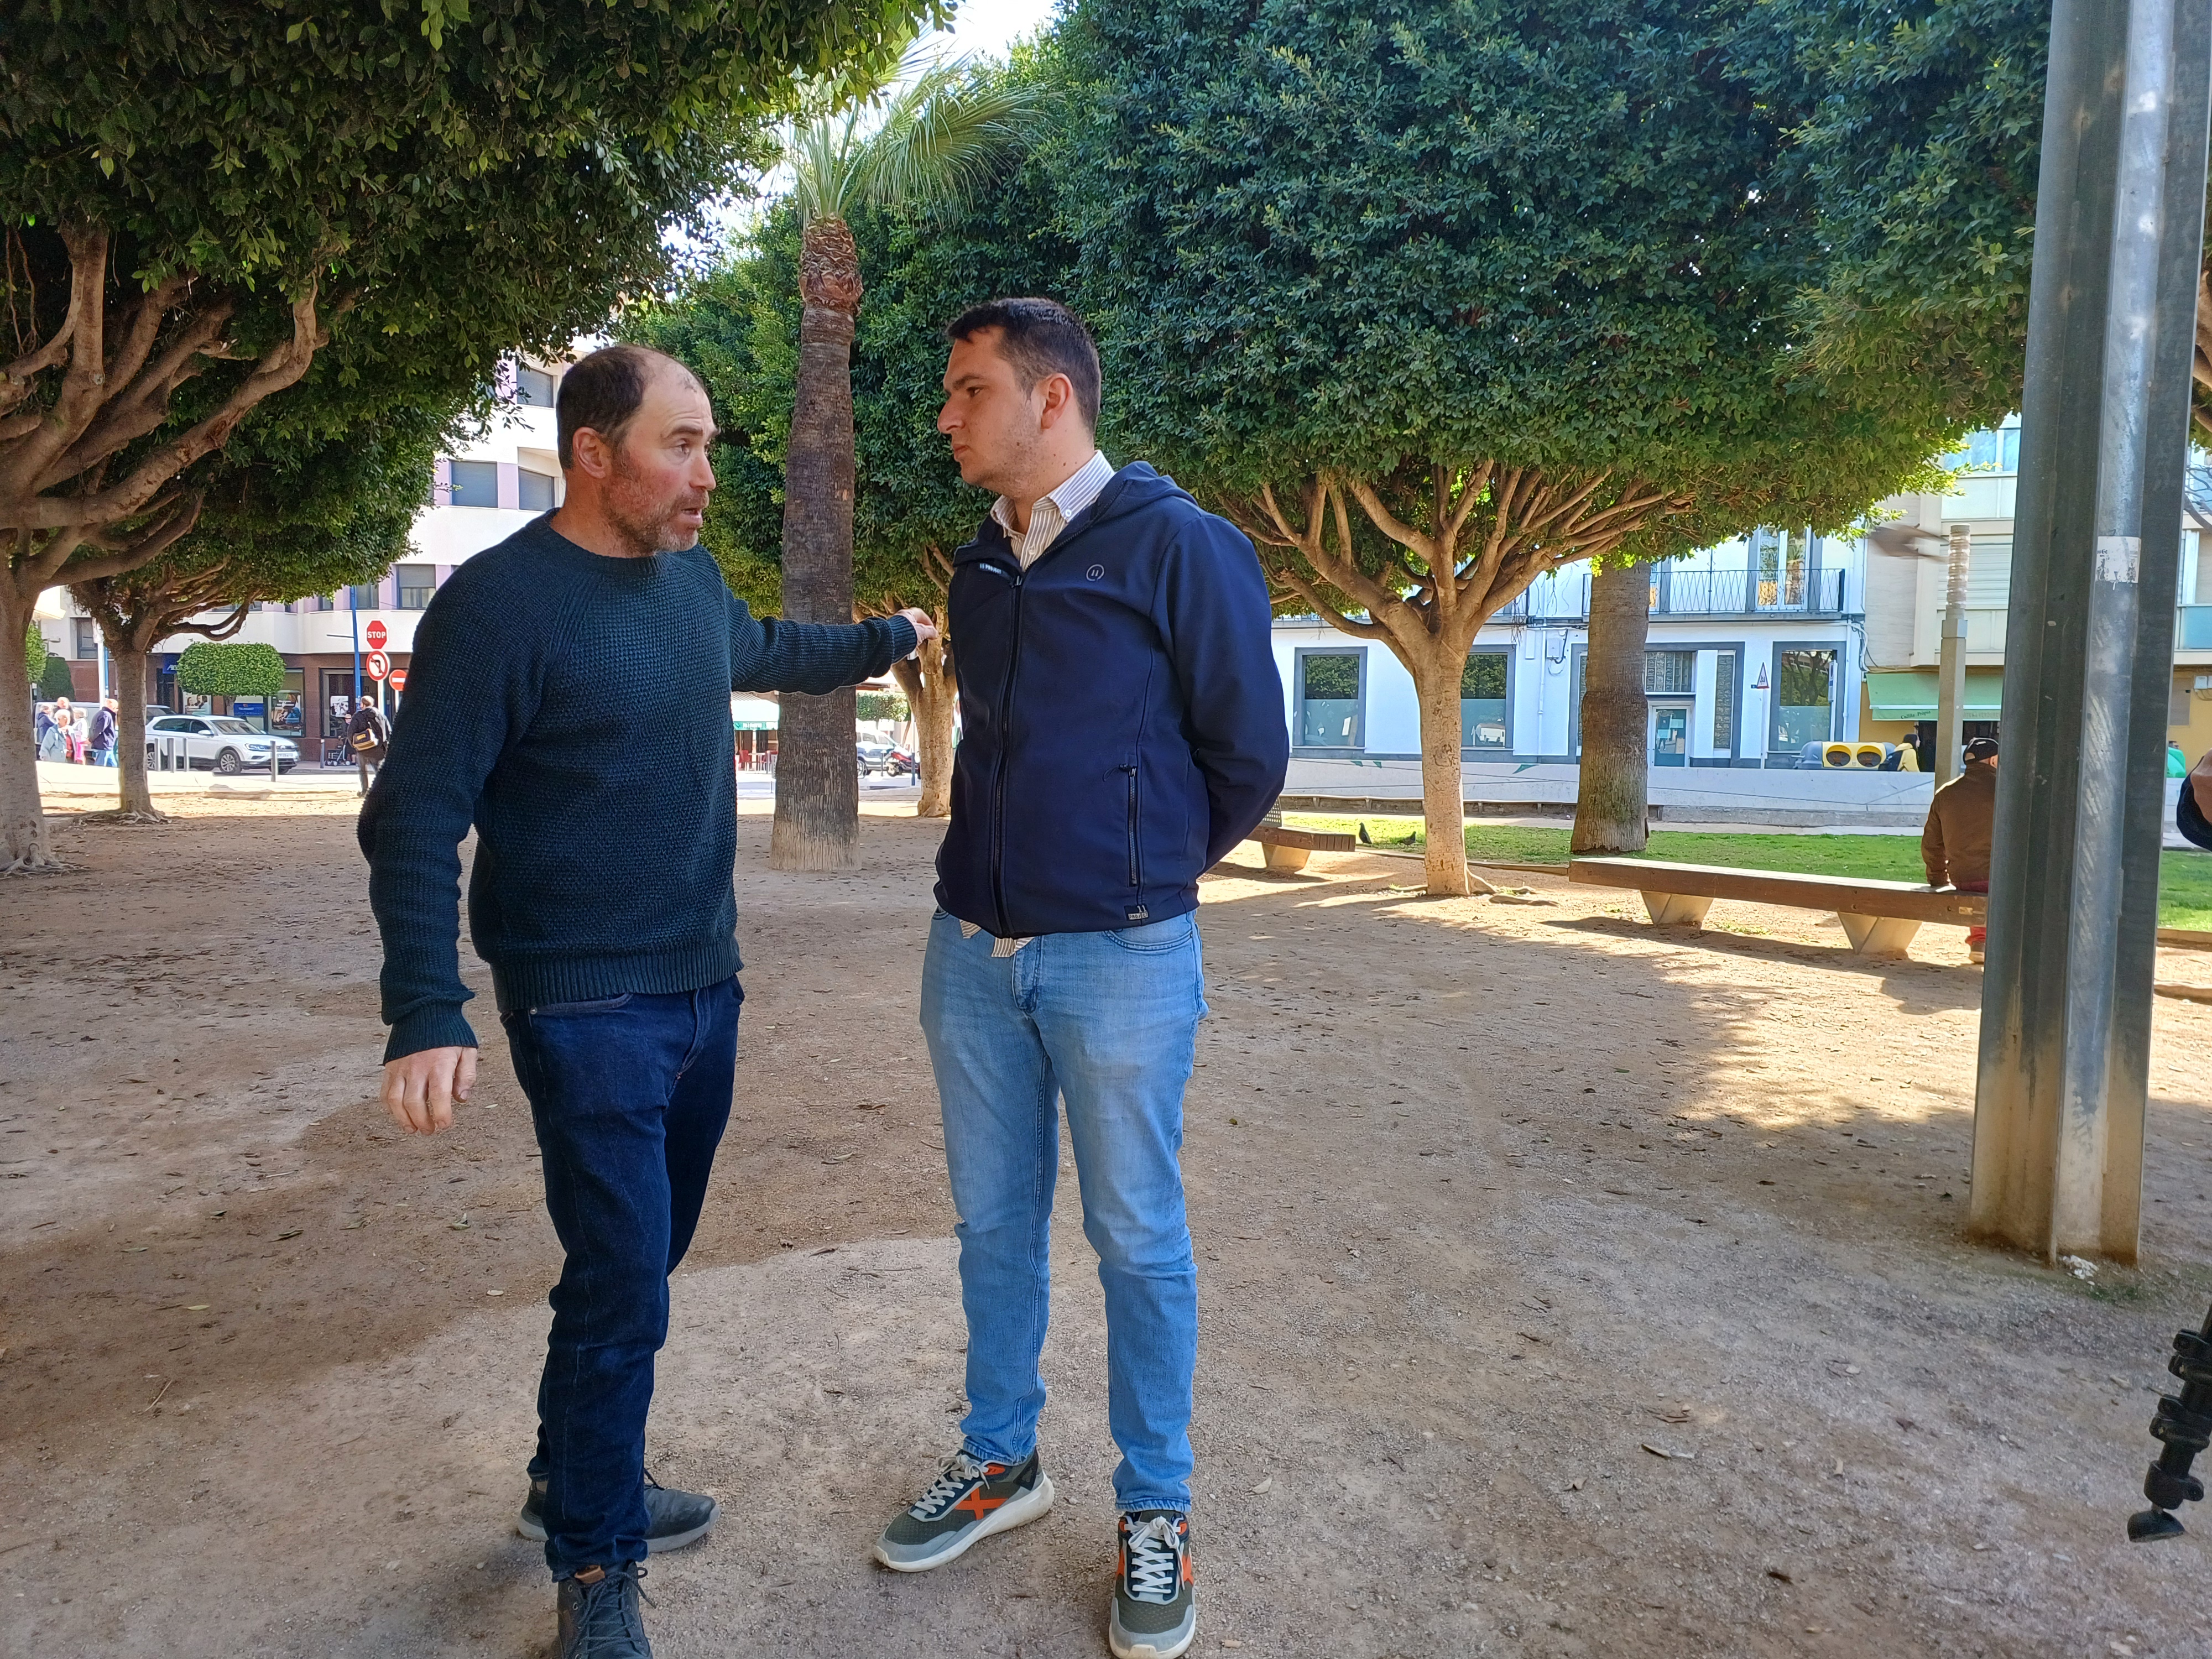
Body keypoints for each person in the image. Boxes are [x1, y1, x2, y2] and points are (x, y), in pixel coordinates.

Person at [358, 344, 933, 1659]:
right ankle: (596, 1564)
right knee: (624, 1279)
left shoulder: (693, 587)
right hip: (580, 1005)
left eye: (709, 444)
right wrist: (425, 1005)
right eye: (680, 444)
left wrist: (891, 637)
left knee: (636, 1260)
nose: (704, 473)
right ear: (592, 453)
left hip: (702, 989)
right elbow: (414, 816)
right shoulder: (497, 608)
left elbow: (775, 650)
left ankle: (571, 1474)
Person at [872, 299, 1285, 1659]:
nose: (946, 415)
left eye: (968, 389)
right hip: (968, 954)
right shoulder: (978, 568)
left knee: (1137, 1239)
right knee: (992, 1226)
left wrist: (1132, 874)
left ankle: (1153, 1505)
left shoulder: (1180, 545)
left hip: (1120, 956)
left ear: (1050, 398)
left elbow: (1246, 758)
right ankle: (1001, 1459)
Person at [1924, 734, 1999, 962]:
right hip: (2002, 877)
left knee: (1979, 880)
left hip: (1963, 877)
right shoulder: (2007, 790)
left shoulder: (1945, 793)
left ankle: (1980, 940)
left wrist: (1938, 878)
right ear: (1994, 761)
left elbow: (1932, 844)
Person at [346, 700, 391, 792]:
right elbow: (389, 733)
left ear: (363, 704)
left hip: (362, 748)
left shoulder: (358, 716)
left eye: (361, 703)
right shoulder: (381, 716)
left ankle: (365, 791)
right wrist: (385, 747)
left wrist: (354, 746)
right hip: (378, 748)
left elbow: (351, 732)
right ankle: (382, 791)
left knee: (363, 770)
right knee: (378, 769)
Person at [88, 696, 118, 767]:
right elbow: (99, 730)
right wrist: (91, 740)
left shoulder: (102, 714)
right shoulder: (106, 715)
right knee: (101, 765)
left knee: (113, 765)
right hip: (104, 744)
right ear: (114, 707)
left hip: (105, 745)